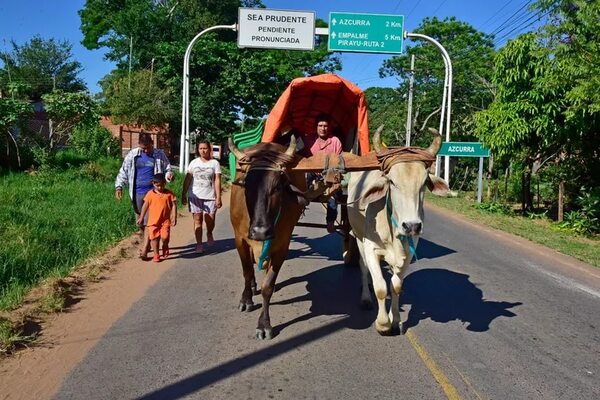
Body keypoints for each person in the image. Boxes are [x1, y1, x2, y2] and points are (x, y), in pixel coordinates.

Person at [114, 133, 173, 258]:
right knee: (140, 222)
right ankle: (151, 240)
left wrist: (168, 176)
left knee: (149, 222)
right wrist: (119, 186)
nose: (145, 150)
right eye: (143, 148)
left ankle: (145, 249)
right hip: (136, 193)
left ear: (152, 143)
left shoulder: (159, 155)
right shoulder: (133, 155)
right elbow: (123, 171)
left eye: (148, 147)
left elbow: (168, 168)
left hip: (153, 194)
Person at [304, 114, 343, 233]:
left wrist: (331, 174)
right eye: (320, 125)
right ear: (316, 127)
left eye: (325, 126)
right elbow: (302, 157)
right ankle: (300, 205)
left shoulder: (335, 141)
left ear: (329, 127)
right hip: (311, 174)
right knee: (303, 181)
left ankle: (330, 221)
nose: (323, 128)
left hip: (329, 174)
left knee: (333, 195)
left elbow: (339, 161)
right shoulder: (308, 140)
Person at [182, 139, 222, 254]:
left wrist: (218, 197)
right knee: (197, 220)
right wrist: (183, 193)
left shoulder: (214, 163)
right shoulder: (194, 163)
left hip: (210, 196)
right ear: (198, 150)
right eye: (200, 148)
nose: (203, 151)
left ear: (209, 149)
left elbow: (217, 180)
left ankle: (209, 232)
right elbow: (188, 178)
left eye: (205, 148)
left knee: (210, 219)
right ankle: (199, 244)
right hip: (195, 196)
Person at [137, 173, 177, 262]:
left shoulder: (169, 194)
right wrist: (141, 217)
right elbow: (145, 206)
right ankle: (156, 254)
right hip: (153, 221)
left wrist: (174, 216)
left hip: (165, 221)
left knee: (165, 237)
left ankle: (165, 245)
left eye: (162, 185)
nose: (160, 188)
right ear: (153, 184)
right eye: (157, 185)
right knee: (154, 238)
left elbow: (174, 205)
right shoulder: (150, 194)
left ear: (164, 183)